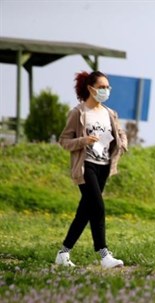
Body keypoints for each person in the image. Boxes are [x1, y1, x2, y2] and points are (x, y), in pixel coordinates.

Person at [55, 71, 128, 269]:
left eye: (107, 87)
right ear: (90, 88)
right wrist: (83, 141)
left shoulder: (109, 113)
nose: (106, 90)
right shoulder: (79, 113)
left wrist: (123, 142)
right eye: (102, 87)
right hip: (85, 166)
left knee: (85, 212)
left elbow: (119, 132)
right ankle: (104, 255)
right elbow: (64, 141)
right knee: (98, 207)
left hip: (104, 166)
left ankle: (63, 253)